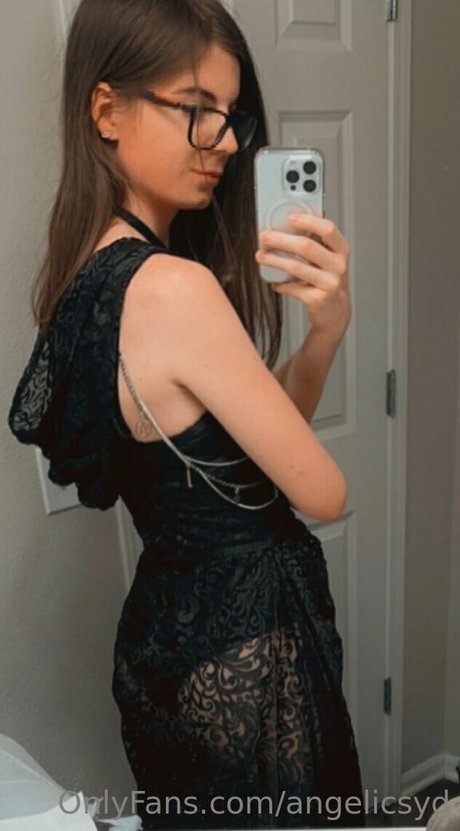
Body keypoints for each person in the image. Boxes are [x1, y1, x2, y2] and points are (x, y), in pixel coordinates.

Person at [7, 0, 365, 828]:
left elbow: (247, 453)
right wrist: (336, 321)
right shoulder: (175, 289)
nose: (229, 142)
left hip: (165, 641)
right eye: (197, 109)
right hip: (248, 649)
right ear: (106, 110)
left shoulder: (85, 276)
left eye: (231, 115)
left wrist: (323, 333)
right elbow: (322, 491)